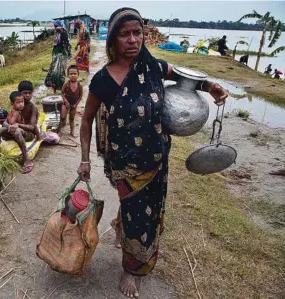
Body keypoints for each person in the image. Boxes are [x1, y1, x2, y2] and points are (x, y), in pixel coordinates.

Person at [77, 7, 228, 298]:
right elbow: (86, 120)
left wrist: (212, 87)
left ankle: (122, 230)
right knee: (137, 213)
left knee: (146, 210)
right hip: (123, 162)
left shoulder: (154, 67)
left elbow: (188, 79)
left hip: (157, 158)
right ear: (113, 40)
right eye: (125, 34)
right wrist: (84, 159)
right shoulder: (103, 80)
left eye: (138, 33)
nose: (133, 40)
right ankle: (131, 270)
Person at [0, 91, 39, 173]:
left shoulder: (33, 108)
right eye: (18, 102)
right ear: (12, 103)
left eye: (22, 102)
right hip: (14, 131)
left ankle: (27, 160)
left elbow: (32, 127)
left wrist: (18, 125)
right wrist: (9, 126)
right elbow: (5, 122)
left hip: (27, 133)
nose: (21, 104)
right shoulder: (13, 110)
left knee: (17, 131)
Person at [44, 20, 72, 94]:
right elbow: (55, 45)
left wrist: (68, 53)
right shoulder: (57, 34)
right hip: (56, 54)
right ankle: (54, 87)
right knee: (54, 70)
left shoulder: (64, 33)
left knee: (60, 71)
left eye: (56, 26)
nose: (55, 27)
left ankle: (60, 87)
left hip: (62, 55)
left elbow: (67, 45)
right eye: (55, 26)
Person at [60, 65, 83, 137]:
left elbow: (80, 96)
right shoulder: (66, 84)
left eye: (75, 74)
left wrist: (76, 104)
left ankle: (72, 132)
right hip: (65, 104)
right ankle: (59, 130)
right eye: (71, 74)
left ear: (78, 74)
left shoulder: (79, 85)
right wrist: (66, 101)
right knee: (63, 117)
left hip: (74, 105)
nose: (73, 75)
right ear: (68, 75)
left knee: (72, 119)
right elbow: (62, 93)